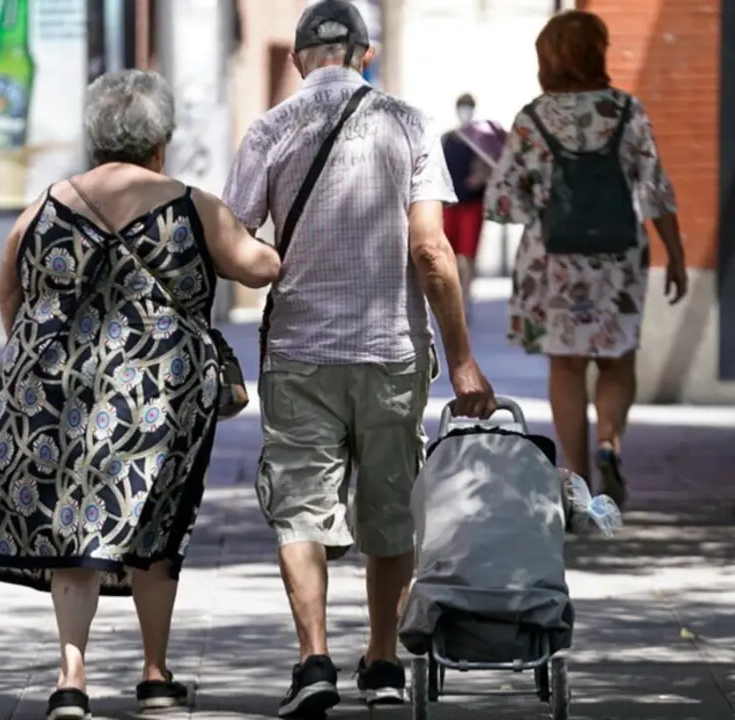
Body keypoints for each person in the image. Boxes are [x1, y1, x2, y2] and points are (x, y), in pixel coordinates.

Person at [0, 69, 280, 720]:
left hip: (59, 391)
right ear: (161, 142)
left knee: (72, 528)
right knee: (156, 528)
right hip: (160, 398)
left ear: (94, 138)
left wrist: (37, 356)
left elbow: (7, 289)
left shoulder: (46, 205)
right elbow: (259, 267)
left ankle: (71, 679)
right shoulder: (191, 204)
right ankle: (155, 675)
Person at [221, 1, 496, 716]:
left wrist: (273, 264)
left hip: (299, 354)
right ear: (365, 55)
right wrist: (463, 361)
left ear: (297, 60)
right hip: (390, 352)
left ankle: (313, 661)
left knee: (299, 512)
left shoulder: (269, 129)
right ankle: (381, 663)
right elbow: (431, 250)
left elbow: (235, 245)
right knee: (390, 510)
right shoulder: (410, 124)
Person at [485, 9, 688, 509]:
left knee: (568, 367)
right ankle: (609, 443)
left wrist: (538, 205)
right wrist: (676, 254)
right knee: (617, 360)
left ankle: (576, 479)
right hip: (618, 258)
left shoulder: (533, 119)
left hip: (553, 260)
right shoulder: (626, 111)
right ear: (597, 54)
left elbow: (501, 202)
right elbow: (655, 190)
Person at [440, 94, 501, 321]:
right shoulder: (448, 138)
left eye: (468, 107)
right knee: (450, 254)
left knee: (467, 254)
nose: (465, 112)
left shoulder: (481, 139)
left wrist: (480, 177)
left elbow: (493, 165)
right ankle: (454, 296)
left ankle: (464, 298)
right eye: (462, 107)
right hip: (450, 204)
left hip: (472, 204)